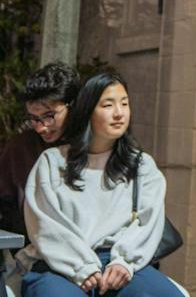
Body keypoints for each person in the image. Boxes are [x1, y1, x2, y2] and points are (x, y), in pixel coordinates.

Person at [17, 71, 183, 296]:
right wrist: (81, 267)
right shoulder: (52, 162)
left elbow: (148, 221)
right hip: (60, 263)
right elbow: (46, 224)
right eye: (107, 105)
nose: (119, 113)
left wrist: (123, 262)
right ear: (87, 111)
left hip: (120, 264)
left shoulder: (142, 166)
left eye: (124, 103)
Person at [0, 62, 80, 238]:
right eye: (34, 118)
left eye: (49, 116)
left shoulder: (91, 146)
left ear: (72, 106)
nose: (41, 127)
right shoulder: (19, 147)